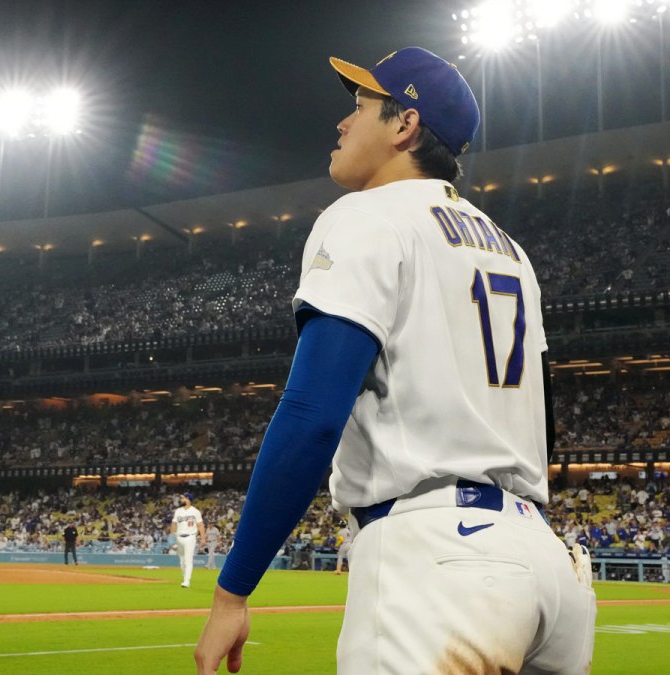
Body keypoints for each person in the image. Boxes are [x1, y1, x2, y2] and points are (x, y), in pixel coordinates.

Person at [195, 47, 595, 674]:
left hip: (439, 561)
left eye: (360, 107)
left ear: (404, 125)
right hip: (548, 567)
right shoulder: (510, 249)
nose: (342, 124)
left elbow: (312, 414)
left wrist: (232, 590)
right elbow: (544, 419)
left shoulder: (367, 215)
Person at [173, 494, 205, 588]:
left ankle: (187, 581)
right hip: (179, 537)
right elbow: (174, 523)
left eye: (183, 498)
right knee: (182, 561)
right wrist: (173, 535)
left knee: (188, 560)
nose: (181, 499)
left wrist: (203, 538)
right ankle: (185, 579)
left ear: (188, 499)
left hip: (190, 537)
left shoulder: (195, 511)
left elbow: (200, 525)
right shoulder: (178, 511)